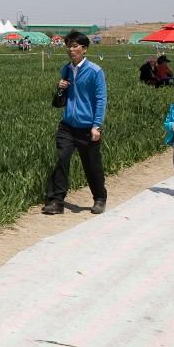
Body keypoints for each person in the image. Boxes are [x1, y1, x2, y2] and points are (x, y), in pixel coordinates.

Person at [43, 31, 108, 215]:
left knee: (91, 165)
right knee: (62, 159)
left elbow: (101, 99)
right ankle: (56, 201)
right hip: (68, 125)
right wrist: (61, 88)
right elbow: (64, 96)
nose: (71, 50)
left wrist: (96, 125)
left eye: (75, 46)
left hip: (88, 127)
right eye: (68, 46)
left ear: (84, 49)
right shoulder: (66, 69)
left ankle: (100, 198)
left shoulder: (95, 71)